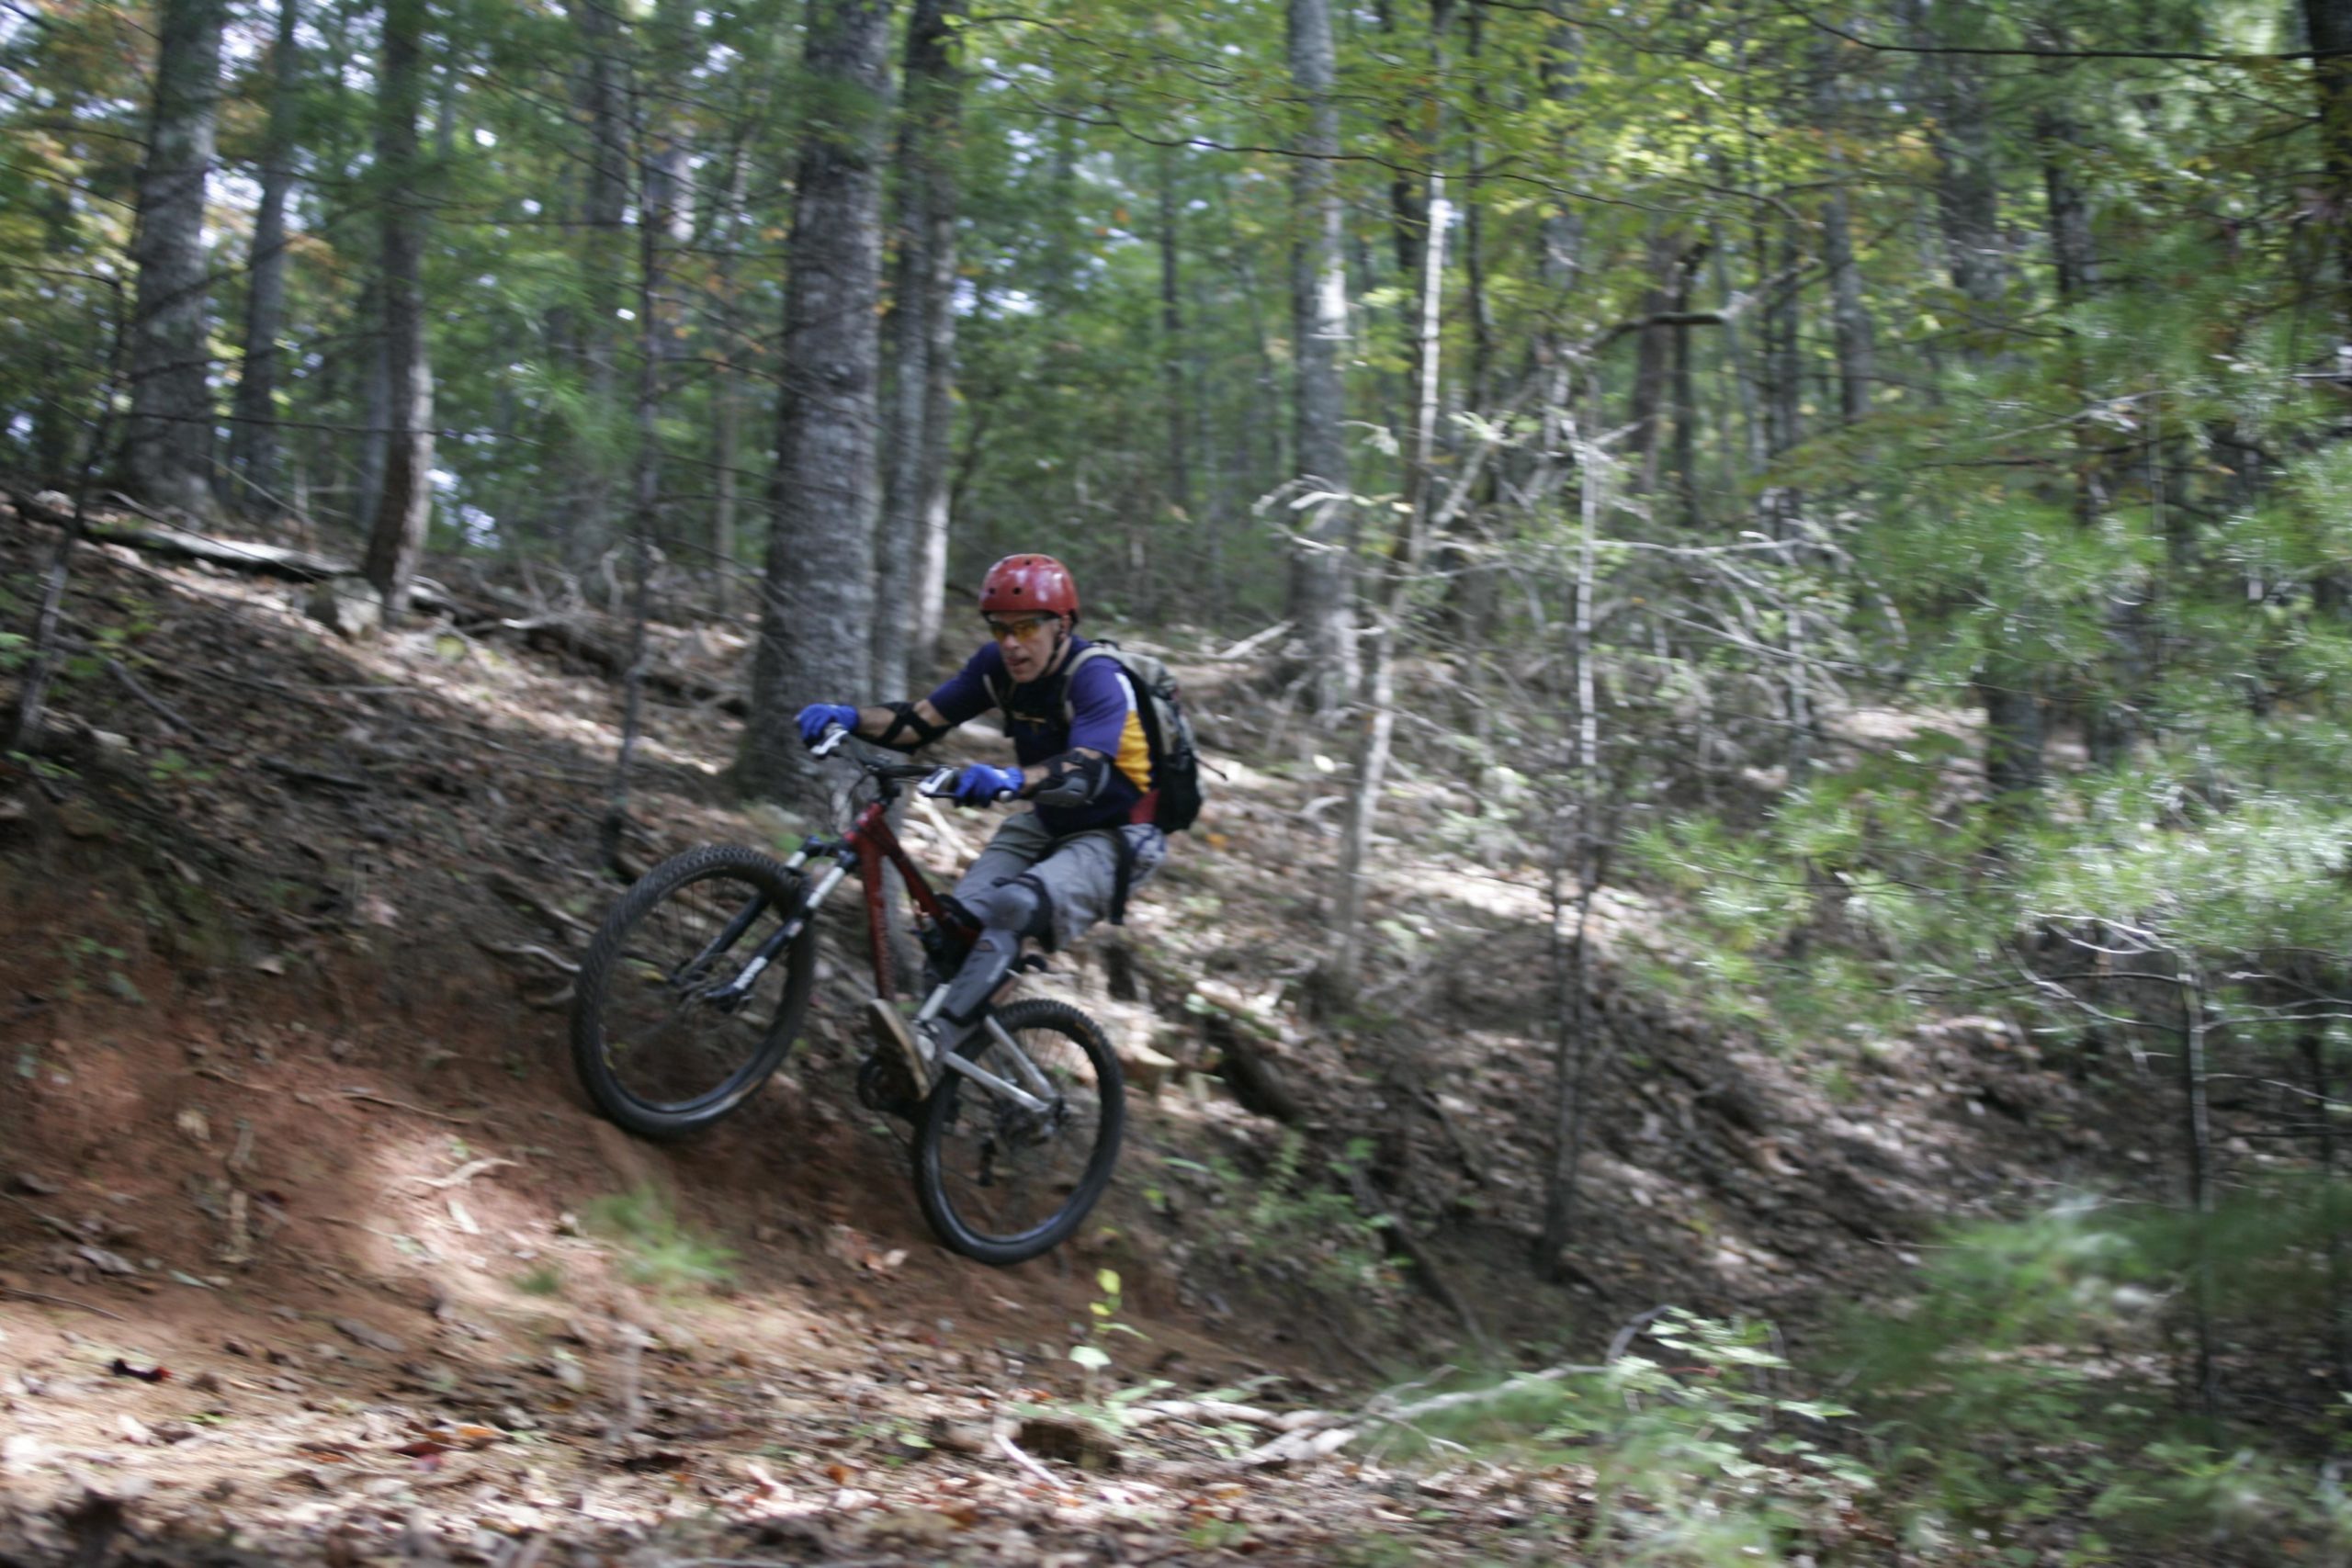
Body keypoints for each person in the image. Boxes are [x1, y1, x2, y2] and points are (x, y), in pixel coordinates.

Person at [795, 554, 1168, 1095]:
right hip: (1049, 820)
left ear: (1062, 625)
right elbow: (916, 722)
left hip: (1121, 832)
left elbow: (1086, 769)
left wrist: (1009, 779)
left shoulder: (1098, 679)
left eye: (1026, 628)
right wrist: (848, 716)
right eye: (1000, 629)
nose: (1012, 643)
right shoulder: (996, 670)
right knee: (953, 930)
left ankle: (930, 1046)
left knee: (1016, 908)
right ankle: (931, 1078)